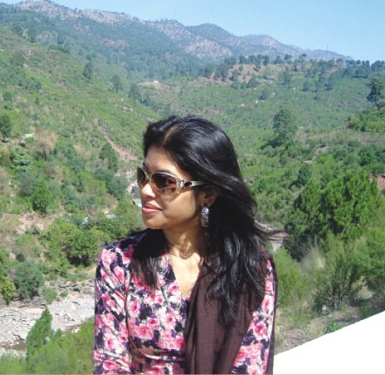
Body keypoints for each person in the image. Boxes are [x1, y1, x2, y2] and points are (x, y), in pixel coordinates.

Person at [93, 115, 277, 374]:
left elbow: (249, 365)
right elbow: (110, 363)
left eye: (164, 182)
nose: (145, 190)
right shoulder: (119, 262)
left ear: (208, 195)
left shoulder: (250, 270)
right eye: (143, 176)